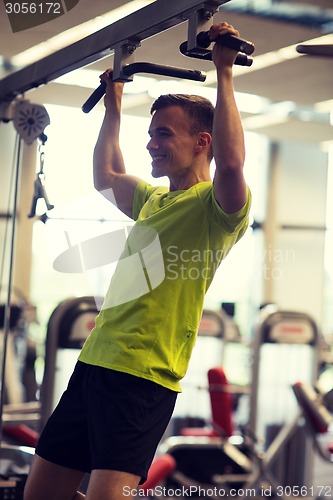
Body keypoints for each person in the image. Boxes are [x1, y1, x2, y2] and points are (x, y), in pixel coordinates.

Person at [24, 21, 252, 500]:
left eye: (163, 134)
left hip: (143, 379)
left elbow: (233, 165)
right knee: (39, 494)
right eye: (150, 134)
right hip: (94, 364)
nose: (150, 143)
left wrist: (224, 73)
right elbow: (105, 174)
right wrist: (114, 105)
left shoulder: (218, 208)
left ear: (202, 142)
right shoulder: (152, 200)